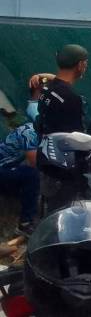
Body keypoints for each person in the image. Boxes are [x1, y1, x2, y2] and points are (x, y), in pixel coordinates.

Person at [0, 91, 39, 236]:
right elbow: (34, 162)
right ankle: (26, 223)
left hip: (8, 169)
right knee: (32, 175)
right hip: (3, 168)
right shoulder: (30, 132)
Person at [37, 44, 89, 134]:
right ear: (80, 65)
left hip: (43, 143)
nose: (86, 66)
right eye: (86, 62)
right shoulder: (72, 98)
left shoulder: (46, 88)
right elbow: (76, 135)